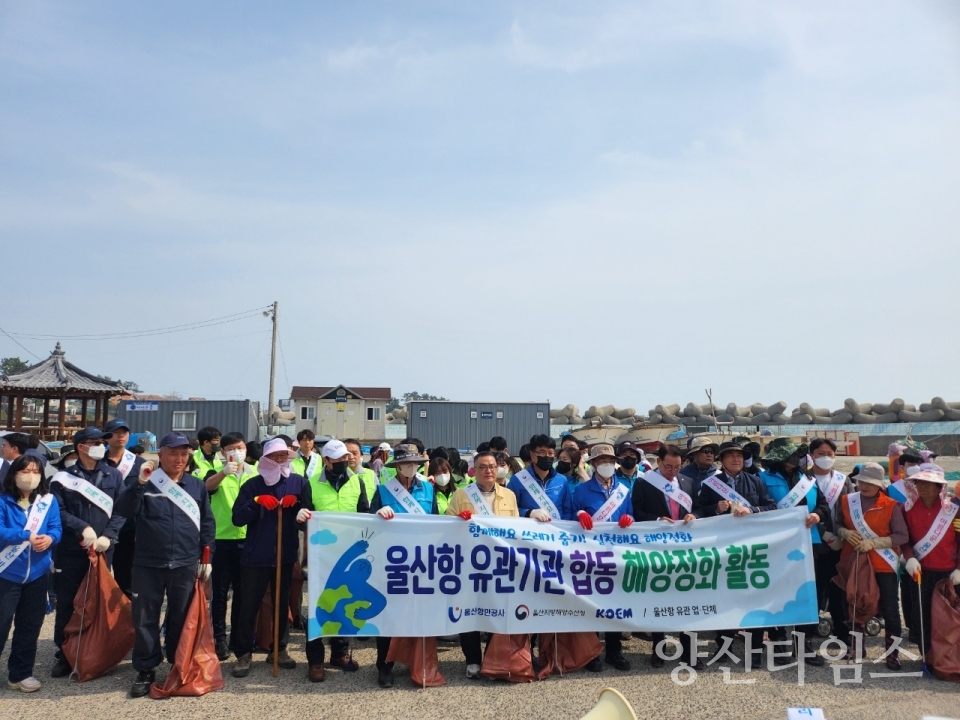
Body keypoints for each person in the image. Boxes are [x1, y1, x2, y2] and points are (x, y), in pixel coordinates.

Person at [115, 431, 216, 697]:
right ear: (161, 455)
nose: (179, 459)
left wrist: (207, 558)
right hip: (148, 562)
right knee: (145, 617)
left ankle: (177, 662)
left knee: (181, 618)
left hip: (184, 562)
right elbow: (124, 509)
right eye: (173, 453)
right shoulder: (147, 482)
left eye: (184, 454)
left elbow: (206, 523)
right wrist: (137, 483)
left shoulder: (196, 486)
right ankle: (146, 668)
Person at [49, 426, 128, 679]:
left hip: (105, 548)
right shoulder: (63, 478)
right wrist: (81, 527)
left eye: (101, 442)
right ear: (81, 446)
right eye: (95, 442)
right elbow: (57, 512)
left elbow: (122, 510)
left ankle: (96, 649)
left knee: (99, 598)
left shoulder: (113, 475)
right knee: (69, 601)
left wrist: (109, 535)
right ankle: (64, 654)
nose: (100, 446)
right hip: (72, 549)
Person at [230, 437, 306, 678]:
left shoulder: (298, 482)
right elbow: (237, 518)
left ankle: (279, 649)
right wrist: (255, 503)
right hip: (256, 555)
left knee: (282, 604)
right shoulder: (252, 485)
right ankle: (243, 653)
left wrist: (299, 508)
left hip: (285, 554)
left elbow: (308, 515)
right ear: (265, 459)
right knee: (248, 606)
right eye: (275, 456)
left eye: (284, 456)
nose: (281, 460)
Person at [300, 439, 375, 681]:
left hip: (348, 552)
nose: (345, 462)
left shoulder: (358, 481)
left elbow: (365, 513)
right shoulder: (311, 484)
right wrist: (299, 516)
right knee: (319, 606)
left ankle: (339, 653)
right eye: (339, 459)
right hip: (321, 554)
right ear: (326, 461)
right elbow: (301, 516)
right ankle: (316, 660)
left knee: (343, 601)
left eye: (346, 458)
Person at [368, 443, 440, 687]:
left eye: (415, 463)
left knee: (419, 614)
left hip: (421, 561)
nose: (411, 467)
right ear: (396, 466)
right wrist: (378, 513)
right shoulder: (383, 491)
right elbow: (369, 523)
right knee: (389, 614)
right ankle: (384, 665)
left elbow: (439, 524)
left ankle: (418, 663)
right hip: (392, 563)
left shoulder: (429, 490)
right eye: (406, 463)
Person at [445, 450, 519, 678]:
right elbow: (446, 523)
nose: (488, 471)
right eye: (483, 467)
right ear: (474, 471)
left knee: (496, 609)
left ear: (498, 469)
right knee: (470, 610)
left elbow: (516, 528)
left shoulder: (509, 495)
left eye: (492, 467)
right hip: (470, 563)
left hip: (498, 563)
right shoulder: (461, 494)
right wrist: (458, 520)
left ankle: (492, 657)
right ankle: (472, 660)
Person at [756, 439, 828, 666]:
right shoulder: (763, 478)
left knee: (806, 594)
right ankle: (778, 643)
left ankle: (803, 645)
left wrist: (817, 515)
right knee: (777, 593)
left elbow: (823, 506)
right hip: (776, 544)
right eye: (789, 455)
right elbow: (761, 506)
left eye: (796, 455)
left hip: (808, 542)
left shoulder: (808, 479)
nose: (793, 459)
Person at [631, 444, 702, 669]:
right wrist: (656, 520)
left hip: (684, 551)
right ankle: (658, 648)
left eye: (677, 467)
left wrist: (694, 515)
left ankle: (689, 651)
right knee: (658, 598)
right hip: (657, 550)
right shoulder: (644, 482)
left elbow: (700, 510)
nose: (673, 471)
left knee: (688, 599)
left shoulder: (687, 483)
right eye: (668, 466)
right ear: (659, 462)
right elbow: (637, 512)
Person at [834, 462, 908, 669]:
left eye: (869, 483)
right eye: (861, 482)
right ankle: (857, 648)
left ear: (879, 485)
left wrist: (875, 542)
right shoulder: (847, 501)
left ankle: (892, 654)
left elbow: (902, 536)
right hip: (856, 560)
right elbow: (838, 524)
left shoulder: (891, 505)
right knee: (856, 603)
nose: (864, 486)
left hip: (884, 562)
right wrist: (844, 533)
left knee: (890, 608)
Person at [0, 454, 61, 693]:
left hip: (37, 575)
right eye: (25, 471)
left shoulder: (48, 501)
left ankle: (20, 673)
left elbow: (56, 527)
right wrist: (25, 536)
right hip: (6, 573)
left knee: (29, 626)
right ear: (14, 474)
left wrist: (50, 538)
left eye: (36, 471)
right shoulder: (3, 501)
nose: (31, 476)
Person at [572, 444, 634, 672]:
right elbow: (569, 517)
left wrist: (630, 518)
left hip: (617, 553)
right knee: (592, 602)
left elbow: (631, 514)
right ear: (593, 464)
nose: (607, 464)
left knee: (615, 602)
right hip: (590, 552)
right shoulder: (581, 490)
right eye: (602, 460)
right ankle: (592, 652)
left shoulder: (624, 490)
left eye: (610, 460)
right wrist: (579, 515)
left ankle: (614, 651)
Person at [206, 432, 257, 661]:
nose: (237, 452)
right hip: (222, 540)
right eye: (231, 449)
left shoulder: (255, 473)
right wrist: (223, 473)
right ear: (223, 452)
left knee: (243, 594)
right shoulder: (214, 472)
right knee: (219, 594)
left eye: (240, 447)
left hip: (248, 540)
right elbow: (207, 487)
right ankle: (219, 638)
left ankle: (238, 637)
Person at [900, 466, 960, 658]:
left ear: (939, 487)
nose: (923, 487)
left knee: (949, 617)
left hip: (949, 572)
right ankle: (927, 656)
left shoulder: (954, 511)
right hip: (921, 572)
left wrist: (959, 568)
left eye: (928, 484)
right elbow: (904, 538)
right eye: (919, 483)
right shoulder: (907, 508)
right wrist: (909, 557)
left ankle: (950, 657)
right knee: (923, 615)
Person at [808, 437, 856, 653]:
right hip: (812, 543)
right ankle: (808, 633)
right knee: (814, 589)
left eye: (830, 454)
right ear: (811, 455)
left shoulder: (842, 480)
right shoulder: (803, 480)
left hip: (839, 544)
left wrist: (841, 535)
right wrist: (824, 534)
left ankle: (842, 631)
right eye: (820, 453)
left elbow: (848, 510)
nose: (825, 457)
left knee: (839, 589)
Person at [102, 418, 146, 599]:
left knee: (126, 578)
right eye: (115, 432)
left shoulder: (139, 463)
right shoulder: (98, 462)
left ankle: (127, 621)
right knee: (101, 575)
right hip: (103, 526)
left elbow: (145, 498)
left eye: (124, 432)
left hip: (130, 527)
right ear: (106, 436)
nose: (120, 436)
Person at [507, 434, 574, 522]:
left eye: (551, 453)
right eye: (542, 452)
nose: (547, 456)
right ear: (532, 455)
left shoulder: (562, 480)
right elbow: (509, 510)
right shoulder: (517, 480)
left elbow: (567, 510)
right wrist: (529, 513)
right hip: (530, 533)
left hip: (556, 532)